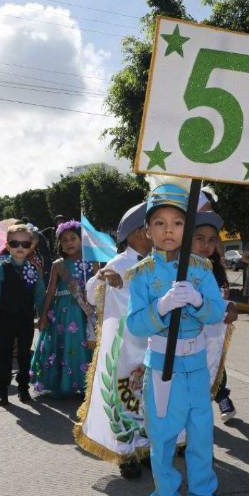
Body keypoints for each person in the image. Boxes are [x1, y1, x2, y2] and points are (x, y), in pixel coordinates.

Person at [126, 181, 227, 496]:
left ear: (187, 229)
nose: (169, 231)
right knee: (165, 438)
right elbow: (135, 323)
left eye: (178, 223)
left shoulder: (201, 269)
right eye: (160, 223)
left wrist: (199, 302)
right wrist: (161, 307)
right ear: (147, 231)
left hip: (196, 365)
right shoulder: (141, 275)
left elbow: (217, 314)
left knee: (202, 435)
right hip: (161, 369)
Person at [76, 202, 153, 480]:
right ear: (135, 234)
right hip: (125, 347)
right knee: (124, 397)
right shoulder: (119, 263)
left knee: (146, 398)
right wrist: (102, 277)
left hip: (150, 344)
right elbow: (90, 290)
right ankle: (125, 453)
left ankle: (144, 449)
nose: (155, 232)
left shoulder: (159, 262)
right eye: (150, 228)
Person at [30, 220, 97, 399]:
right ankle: (65, 382)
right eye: (64, 240)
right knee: (65, 344)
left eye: (73, 238)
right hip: (63, 313)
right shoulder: (58, 264)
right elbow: (50, 290)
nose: (69, 243)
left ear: (82, 240)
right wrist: (43, 316)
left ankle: (88, 383)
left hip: (87, 312)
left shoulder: (93, 262)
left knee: (86, 342)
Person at [0, 224, 46, 407]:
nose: (20, 247)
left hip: (26, 319)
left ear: (31, 245)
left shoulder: (34, 269)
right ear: (7, 245)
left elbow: (39, 295)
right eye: (14, 243)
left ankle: (23, 388)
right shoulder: (2, 268)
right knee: (3, 354)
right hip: (5, 318)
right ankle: (2, 390)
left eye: (24, 243)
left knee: (24, 355)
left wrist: (43, 316)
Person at [192, 211, 239, 423]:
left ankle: (222, 397)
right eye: (199, 239)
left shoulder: (214, 268)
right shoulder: (176, 267)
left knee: (215, 362)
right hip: (184, 338)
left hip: (210, 331)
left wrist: (230, 306)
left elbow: (221, 299)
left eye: (211, 240)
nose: (205, 245)